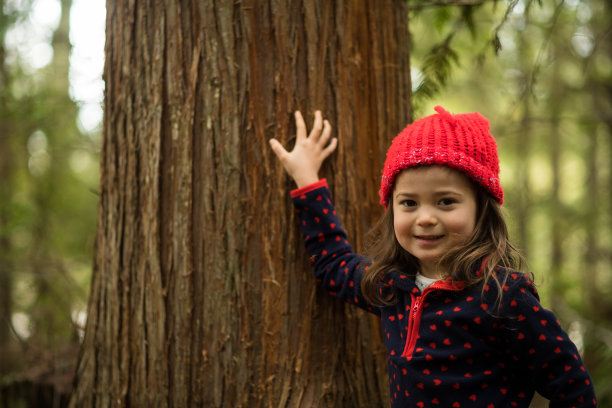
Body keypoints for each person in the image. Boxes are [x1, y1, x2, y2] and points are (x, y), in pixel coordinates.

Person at [269, 106, 597, 407]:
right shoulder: (389, 285)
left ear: (481, 209)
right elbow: (331, 265)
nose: (425, 217)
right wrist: (307, 180)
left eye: (445, 202)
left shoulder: (502, 296)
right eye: (409, 203)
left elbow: (572, 385)